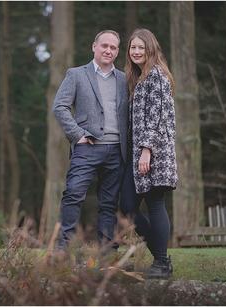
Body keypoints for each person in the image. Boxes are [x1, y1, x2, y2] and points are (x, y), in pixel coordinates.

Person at [52, 30, 129, 252]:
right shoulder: (76, 74)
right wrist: (78, 135)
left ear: (117, 51)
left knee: (108, 203)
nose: (108, 50)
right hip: (88, 147)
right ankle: (64, 249)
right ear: (94, 47)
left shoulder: (125, 79)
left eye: (113, 47)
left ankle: (107, 253)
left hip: (117, 151)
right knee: (74, 193)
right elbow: (60, 106)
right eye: (104, 45)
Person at [120, 28, 178, 279]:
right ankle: (162, 258)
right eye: (133, 47)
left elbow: (156, 117)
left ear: (151, 49)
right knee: (127, 206)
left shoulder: (157, 76)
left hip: (154, 152)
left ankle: (162, 264)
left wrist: (146, 151)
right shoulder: (138, 77)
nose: (136, 52)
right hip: (139, 154)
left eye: (141, 47)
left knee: (155, 203)